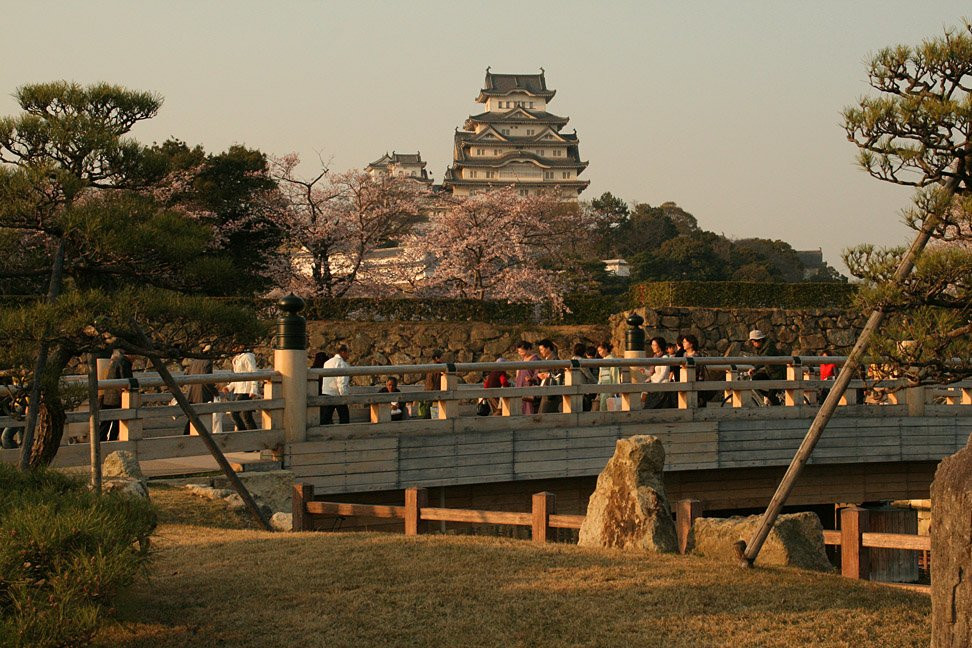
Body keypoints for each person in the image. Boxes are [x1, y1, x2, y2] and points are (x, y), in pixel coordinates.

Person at [223, 346, 260, 431]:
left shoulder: (248, 357)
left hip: (246, 390)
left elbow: (253, 372)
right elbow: (237, 375)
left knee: (234, 413)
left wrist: (253, 389)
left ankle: (242, 430)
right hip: (239, 389)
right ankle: (253, 434)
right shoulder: (236, 358)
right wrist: (229, 387)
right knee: (247, 416)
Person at [101, 348, 134, 441]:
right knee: (117, 421)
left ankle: (102, 439)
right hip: (117, 396)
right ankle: (112, 439)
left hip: (108, 395)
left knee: (106, 421)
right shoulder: (124, 363)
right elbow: (126, 380)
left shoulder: (116, 362)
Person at [747, 329, 785, 406]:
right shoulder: (760, 348)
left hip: (777, 375)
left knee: (772, 396)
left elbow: (764, 359)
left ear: (760, 340)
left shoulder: (769, 346)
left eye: (754, 342)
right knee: (755, 378)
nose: (753, 344)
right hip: (770, 373)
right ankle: (771, 396)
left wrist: (755, 368)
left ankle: (776, 405)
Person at [183, 353, 217, 435]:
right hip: (203, 392)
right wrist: (214, 391)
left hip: (193, 392)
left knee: (193, 416)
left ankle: (187, 434)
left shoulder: (194, 362)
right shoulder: (207, 363)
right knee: (201, 416)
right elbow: (207, 380)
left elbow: (187, 374)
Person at [321, 344, 351, 424]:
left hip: (326, 392)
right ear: (343, 352)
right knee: (344, 418)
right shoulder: (342, 364)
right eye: (348, 352)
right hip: (337, 394)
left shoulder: (327, 363)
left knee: (325, 418)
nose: (349, 355)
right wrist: (344, 396)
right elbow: (342, 382)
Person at [643, 336, 674, 409]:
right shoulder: (655, 357)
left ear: (659, 346)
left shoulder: (665, 358)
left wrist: (654, 384)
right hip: (654, 387)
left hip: (661, 388)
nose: (652, 347)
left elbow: (663, 375)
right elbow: (653, 374)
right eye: (652, 345)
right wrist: (645, 371)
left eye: (654, 345)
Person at [415, 349, 443, 419]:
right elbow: (434, 382)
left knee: (429, 412)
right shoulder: (437, 368)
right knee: (429, 412)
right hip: (432, 391)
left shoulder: (433, 367)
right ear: (437, 358)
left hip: (430, 391)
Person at [536, 339, 562, 414]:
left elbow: (560, 374)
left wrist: (547, 375)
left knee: (546, 412)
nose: (541, 352)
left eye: (542, 349)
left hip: (551, 389)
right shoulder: (548, 359)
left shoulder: (555, 359)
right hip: (546, 387)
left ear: (548, 348)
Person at [514, 341, 540, 415]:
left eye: (523, 352)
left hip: (528, 386)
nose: (521, 354)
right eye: (519, 352)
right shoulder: (522, 360)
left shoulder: (535, 359)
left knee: (529, 408)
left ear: (529, 349)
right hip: (519, 385)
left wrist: (532, 379)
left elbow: (538, 374)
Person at [571, 343, 597, 412]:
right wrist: (596, 383)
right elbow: (588, 374)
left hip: (574, 386)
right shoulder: (580, 361)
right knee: (584, 409)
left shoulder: (572, 359)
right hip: (582, 388)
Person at [596, 341, 621, 411]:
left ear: (606, 349)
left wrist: (614, 389)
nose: (599, 352)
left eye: (601, 350)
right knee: (603, 406)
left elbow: (614, 374)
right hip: (603, 385)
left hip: (608, 384)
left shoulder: (611, 359)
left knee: (606, 406)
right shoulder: (603, 360)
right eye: (598, 351)